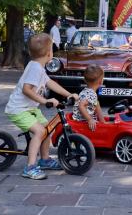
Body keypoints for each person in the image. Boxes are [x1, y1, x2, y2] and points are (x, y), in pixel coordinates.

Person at [4, 33, 79, 180]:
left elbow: (51, 83)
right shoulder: (35, 69)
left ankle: (44, 159)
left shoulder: (38, 67)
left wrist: (69, 94)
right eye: (52, 48)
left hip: (29, 109)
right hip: (18, 109)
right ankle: (30, 167)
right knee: (40, 132)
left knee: (47, 128)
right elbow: (27, 89)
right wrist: (45, 101)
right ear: (49, 53)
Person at [72, 64, 106, 131]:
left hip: (81, 119)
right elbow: (81, 105)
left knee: (97, 103)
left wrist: (103, 121)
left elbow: (96, 105)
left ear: (85, 80)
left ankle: (103, 123)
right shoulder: (91, 94)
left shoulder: (85, 91)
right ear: (101, 81)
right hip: (83, 122)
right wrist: (90, 119)